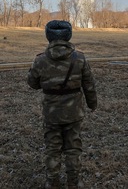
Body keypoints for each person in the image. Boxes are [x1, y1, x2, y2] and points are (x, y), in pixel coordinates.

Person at [28, 20, 97, 189]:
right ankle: (74, 182)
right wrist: (92, 104)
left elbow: (32, 83)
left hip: (51, 114)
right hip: (74, 112)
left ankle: (52, 183)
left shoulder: (40, 60)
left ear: (48, 36)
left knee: (53, 149)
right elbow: (89, 85)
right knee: (73, 148)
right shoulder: (79, 58)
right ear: (69, 35)